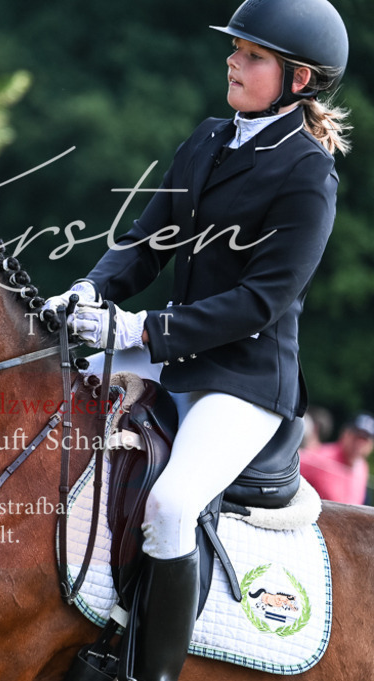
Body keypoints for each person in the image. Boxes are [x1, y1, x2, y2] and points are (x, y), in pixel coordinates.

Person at [42, 2, 350, 680]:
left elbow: (260, 302)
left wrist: (138, 329)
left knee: (172, 503)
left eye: (253, 55)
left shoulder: (308, 173)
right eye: (236, 48)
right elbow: (145, 244)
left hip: (241, 379)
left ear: (299, 79)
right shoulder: (209, 139)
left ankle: (148, 673)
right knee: (37, 369)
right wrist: (91, 292)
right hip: (172, 350)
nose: (234, 61)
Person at [300, 413, 373, 505]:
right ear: (345, 433)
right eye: (356, 437)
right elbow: (289, 465)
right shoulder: (322, 457)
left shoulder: (362, 468)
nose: (359, 444)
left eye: (365, 440)